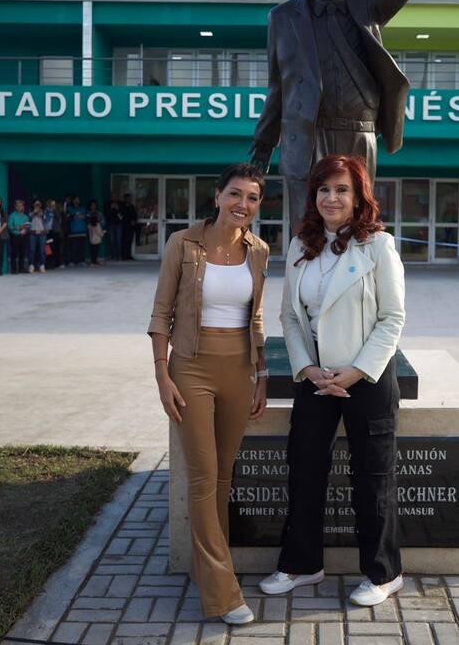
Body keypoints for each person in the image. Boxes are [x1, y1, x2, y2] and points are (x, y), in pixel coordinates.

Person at [249, 0, 459, 223]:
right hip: (307, 133)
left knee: (356, 220)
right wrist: (262, 143)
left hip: (360, 131)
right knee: (309, 225)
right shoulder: (283, 18)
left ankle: (354, 278)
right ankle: (307, 279)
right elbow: (278, 86)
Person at [260, 154, 406, 607]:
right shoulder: (301, 245)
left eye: (342, 189)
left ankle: (383, 574)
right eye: (324, 189)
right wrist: (307, 368)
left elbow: (392, 317)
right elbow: (289, 315)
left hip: (367, 377)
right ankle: (303, 564)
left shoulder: (378, 246)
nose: (332, 197)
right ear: (314, 196)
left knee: (372, 476)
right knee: (305, 471)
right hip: (316, 379)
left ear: (359, 194)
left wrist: (356, 370)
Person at [148, 163, 270, 625]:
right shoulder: (183, 244)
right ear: (217, 196)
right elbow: (161, 314)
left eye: (253, 198)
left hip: (238, 368)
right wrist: (163, 375)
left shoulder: (259, 250)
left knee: (223, 476)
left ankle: (206, 569)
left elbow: (255, 318)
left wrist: (261, 375)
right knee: (202, 477)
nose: (243, 205)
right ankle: (222, 593)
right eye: (236, 194)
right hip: (191, 367)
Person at [8, 199, 30, 274]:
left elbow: (28, 226)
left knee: (22, 253)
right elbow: (10, 226)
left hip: (23, 236)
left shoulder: (25, 217)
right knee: (14, 253)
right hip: (15, 236)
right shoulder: (12, 215)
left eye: (21, 205)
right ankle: (13, 269)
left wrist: (26, 230)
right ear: (15, 206)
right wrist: (18, 227)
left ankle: (21, 268)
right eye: (18, 205)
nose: (20, 207)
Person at [29, 199, 48, 273]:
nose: (37, 205)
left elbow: (46, 221)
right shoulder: (31, 212)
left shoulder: (44, 212)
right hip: (32, 233)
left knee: (42, 250)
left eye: (38, 204)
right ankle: (31, 265)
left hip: (42, 233)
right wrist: (34, 212)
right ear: (33, 205)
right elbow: (29, 219)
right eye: (36, 204)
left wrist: (41, 213)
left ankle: (42, 265)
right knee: (32, 250)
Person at [68, 194, 87, 266]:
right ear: (73, 200)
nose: (77, 201)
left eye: (78, 199)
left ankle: (81, 261)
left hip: (82, 230)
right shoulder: (70, 208)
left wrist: (75, 216)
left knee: (81, 247)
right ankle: (73, 261)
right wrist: (77, 216)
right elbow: (70, 217)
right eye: (75, 199)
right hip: (73, 231)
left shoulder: (82, 208)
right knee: (74, 247)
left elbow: (84, 217)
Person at [120, 193, 138, 260]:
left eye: (130, 198)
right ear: (125, 199)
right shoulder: (122, 207)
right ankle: (123, 256)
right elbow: (121, 215)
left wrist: (134, 221)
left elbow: (135, 216)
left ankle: (129, 255)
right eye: (128, 198)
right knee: (123, 241)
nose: (129, 200)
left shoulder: (132, 207)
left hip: (130, 227)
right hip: (124, 226)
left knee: (129, 241)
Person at [46, 198, 63, 270]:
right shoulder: (45, 211)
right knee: (49, 248)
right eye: (51, 203)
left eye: (54, 204)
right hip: (47, 231)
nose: (52, 205)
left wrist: (55, 210)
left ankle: (56, 263)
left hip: (55, 232)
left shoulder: (56, 211)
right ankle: (49, 263)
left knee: (56, 247)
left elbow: (59, 218)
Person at [87, 199, 104, 266]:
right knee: (95, 249)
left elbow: (103, 222)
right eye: (92, 205)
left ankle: (93, 261)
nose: (93, 206)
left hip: (92, 238)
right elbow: (100, 233)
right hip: (96, 238)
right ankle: (94, 261)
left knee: (93, 249)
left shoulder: (89, 225)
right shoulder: (97, 224)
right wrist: (102, 234)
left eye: (94, 205)